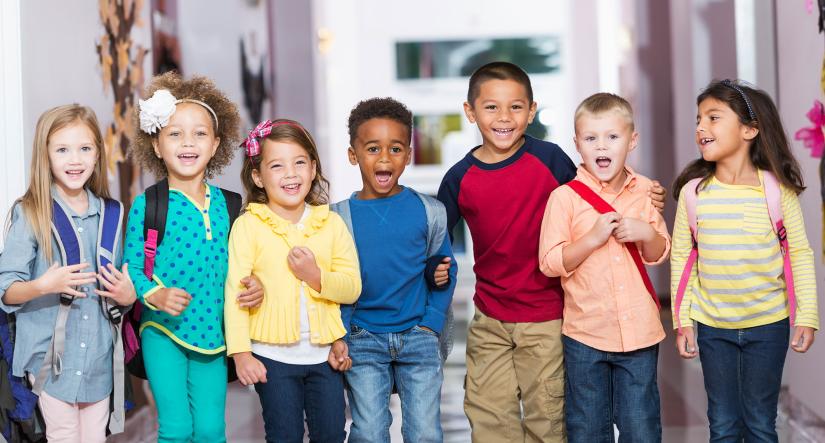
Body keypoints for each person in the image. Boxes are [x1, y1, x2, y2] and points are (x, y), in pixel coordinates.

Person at [437, 61, 667, 442]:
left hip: (547, 316)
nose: (504, 117)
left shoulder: (549, 160)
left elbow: (595, 188)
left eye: (515, 107)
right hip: (490, 315)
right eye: (491, 107)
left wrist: (645, 191)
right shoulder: (460, 178)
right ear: (470, 112)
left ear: (531, 111)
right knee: (489, 418)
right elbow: (436, 233)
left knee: (548, 419)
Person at [671, 79, 818, 441]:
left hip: (768, 324)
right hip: (712, 325)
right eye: (698, 119)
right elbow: (682, 259)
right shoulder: (694, 194)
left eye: (713, 117)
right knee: (722, 423)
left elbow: (799, 253)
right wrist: (682, 321)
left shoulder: (776, 192)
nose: (701, 127)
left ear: (750, 129)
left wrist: (808, 315)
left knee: (759, 422)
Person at [124, 71, 260, 442]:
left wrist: (255, 285)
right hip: (162, 331)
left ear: (216, 145)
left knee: (212, 429)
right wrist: (156, 295)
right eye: (174, 133)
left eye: (199, 133)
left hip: (213, 334)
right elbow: (133, 266)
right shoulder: (148, 205)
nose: (188, 142)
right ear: (156, 145)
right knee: (177, 427)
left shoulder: (231, 205)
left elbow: (247, 265)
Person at [0, 104, 136, 442]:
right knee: (63, 435)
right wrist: (43, 285)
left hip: (99, 360)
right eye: (62, 149)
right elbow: (6, 290)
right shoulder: (30, 213)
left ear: (97, 154)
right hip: (50, 360)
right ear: (45, 155)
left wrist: (128, 296)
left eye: (85, 148)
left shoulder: (112, 215)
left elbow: (122, 289)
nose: (74, 160)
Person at [539, 93, 670, 442]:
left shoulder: (644, 191)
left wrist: (645, 233)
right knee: (587, 429)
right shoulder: (564, 198)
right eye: (591, 138)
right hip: (586, 335)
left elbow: (659, 252)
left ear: (632, 140)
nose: (602, 146)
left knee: (641, 427)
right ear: (577, 144)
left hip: (640, 334)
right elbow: (550, 262)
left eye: (612, 137)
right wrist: (591, 239)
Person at [225, 119, 361, 443]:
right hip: (272, 359)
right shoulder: (248, 226)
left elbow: (352, 286)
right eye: (277, 165)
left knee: (330, 434)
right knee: (283, 435)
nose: (291, 173)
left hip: (323, 356)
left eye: (300, 162)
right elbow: (236, 292)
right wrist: (242, 353)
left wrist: (316, 277)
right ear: (258, 176)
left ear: (313, 168)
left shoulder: (331, 224)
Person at [333, 98, 457, 442]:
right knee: (369, 431)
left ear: (409, 154)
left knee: (425, 433)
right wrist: (340, 333)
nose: (385, 158)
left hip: (418, 336)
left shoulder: (429, 211)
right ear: (353, 155)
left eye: (396, 148)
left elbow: (445, 270)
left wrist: (431, 324)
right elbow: (332, 281)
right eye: (373, 148)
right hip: (362, 338)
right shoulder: (336, 218)